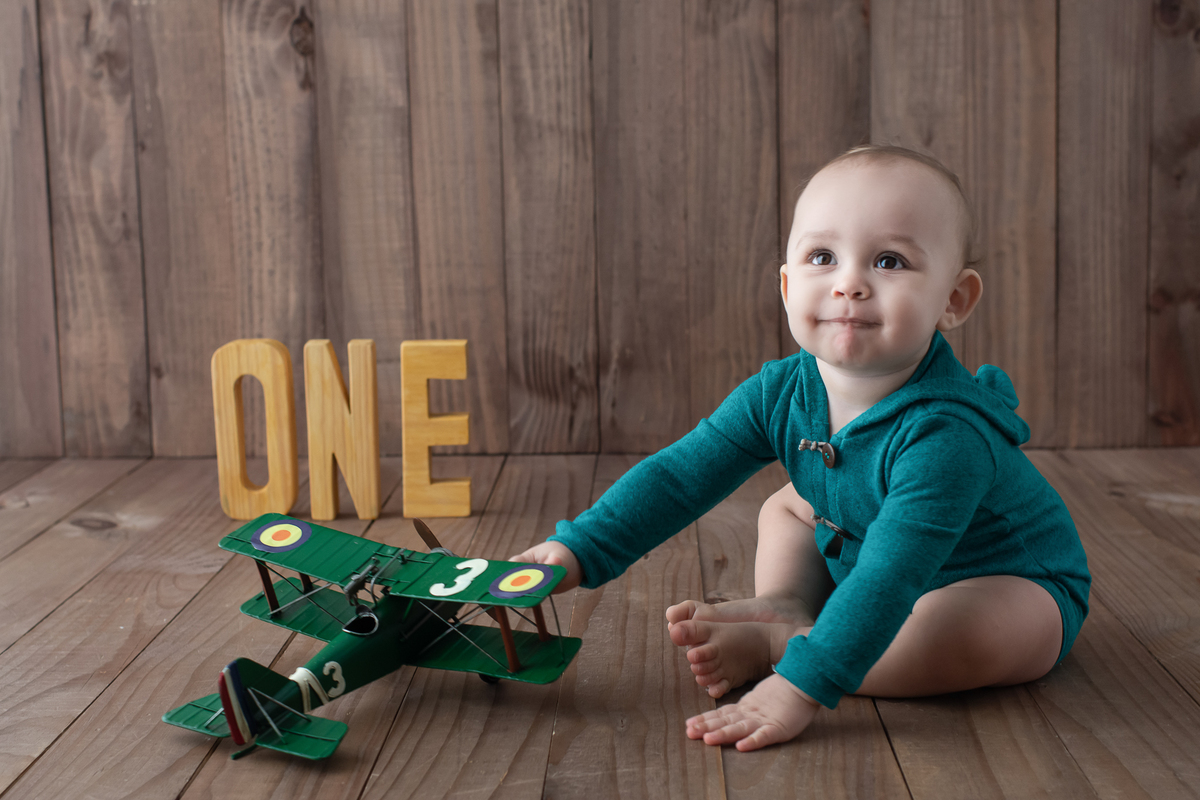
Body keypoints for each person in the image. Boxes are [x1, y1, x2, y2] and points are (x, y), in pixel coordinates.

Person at [511, 145, 1090, 752]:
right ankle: (784, 604)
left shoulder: (947, 434)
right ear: (788, 285)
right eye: (822, 257)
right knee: (786, 506)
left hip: (1001, 581)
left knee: (958, 633)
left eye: (889, 261)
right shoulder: (781, 390)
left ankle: (783, 643)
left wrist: (798, 684)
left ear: (954, 300)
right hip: (864, 548)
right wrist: (578, 548)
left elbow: (894, 574)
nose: (849, 284)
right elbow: (681, 476)